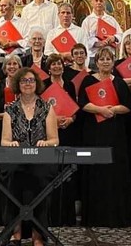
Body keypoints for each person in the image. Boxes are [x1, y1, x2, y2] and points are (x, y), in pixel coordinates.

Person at [1, 67, 59, 246]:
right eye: (24, 81)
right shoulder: (9, 110)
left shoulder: (47, 108)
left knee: (41, 180)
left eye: (31, 80)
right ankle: (15, 232)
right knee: (11, 179)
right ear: (17, 84)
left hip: (40, 160)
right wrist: (11, 144)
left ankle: (38, 235)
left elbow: (55, 139)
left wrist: (45, 143)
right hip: (17, 160)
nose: (28, 84)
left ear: (37, 84)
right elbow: (4, 141)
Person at [79, 47, 131, 227]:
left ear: (113, 62)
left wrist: (113, 110)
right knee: (96, 170)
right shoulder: (88, 80)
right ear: (97, 61)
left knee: (115, 170)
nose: (105, 62)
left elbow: (127, 106)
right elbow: (82, 104)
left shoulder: (119, 83)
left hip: (115, 132)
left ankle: (117, 215)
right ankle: (95, 216)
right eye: (102, 59)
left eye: (108, 59)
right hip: (93, 132)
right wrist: (100, 109)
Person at [0, 54, 23, 224]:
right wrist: (8, 114)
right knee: (0, 172)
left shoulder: (26, 85)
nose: (12, 67)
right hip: (1, 131)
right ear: (4, 67)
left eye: (15, 64)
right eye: (9, 64)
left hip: (21, 132)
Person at [44, 53, 79, 226]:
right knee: (52, 172)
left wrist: (71, 119)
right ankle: (51, 215)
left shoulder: (70, 85)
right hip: (51, 133)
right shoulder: (43, 85)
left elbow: (75, 108)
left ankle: (67, 216)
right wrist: (53, 121)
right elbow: (39, 110)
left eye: (59, 64)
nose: (57, 67)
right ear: (48, 68)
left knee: (68, 172)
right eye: (53, 64)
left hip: (68, 131)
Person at [80, 0, 123, 66]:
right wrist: (96, 43)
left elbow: (121, 35)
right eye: (96, 1)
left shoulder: (111, 19)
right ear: (92, 3)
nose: (99, 3)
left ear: (104, 3)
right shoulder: (87, 21)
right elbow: (83, 40)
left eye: (101, 1)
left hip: (110, 56)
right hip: (94, 57)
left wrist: (114, 38)